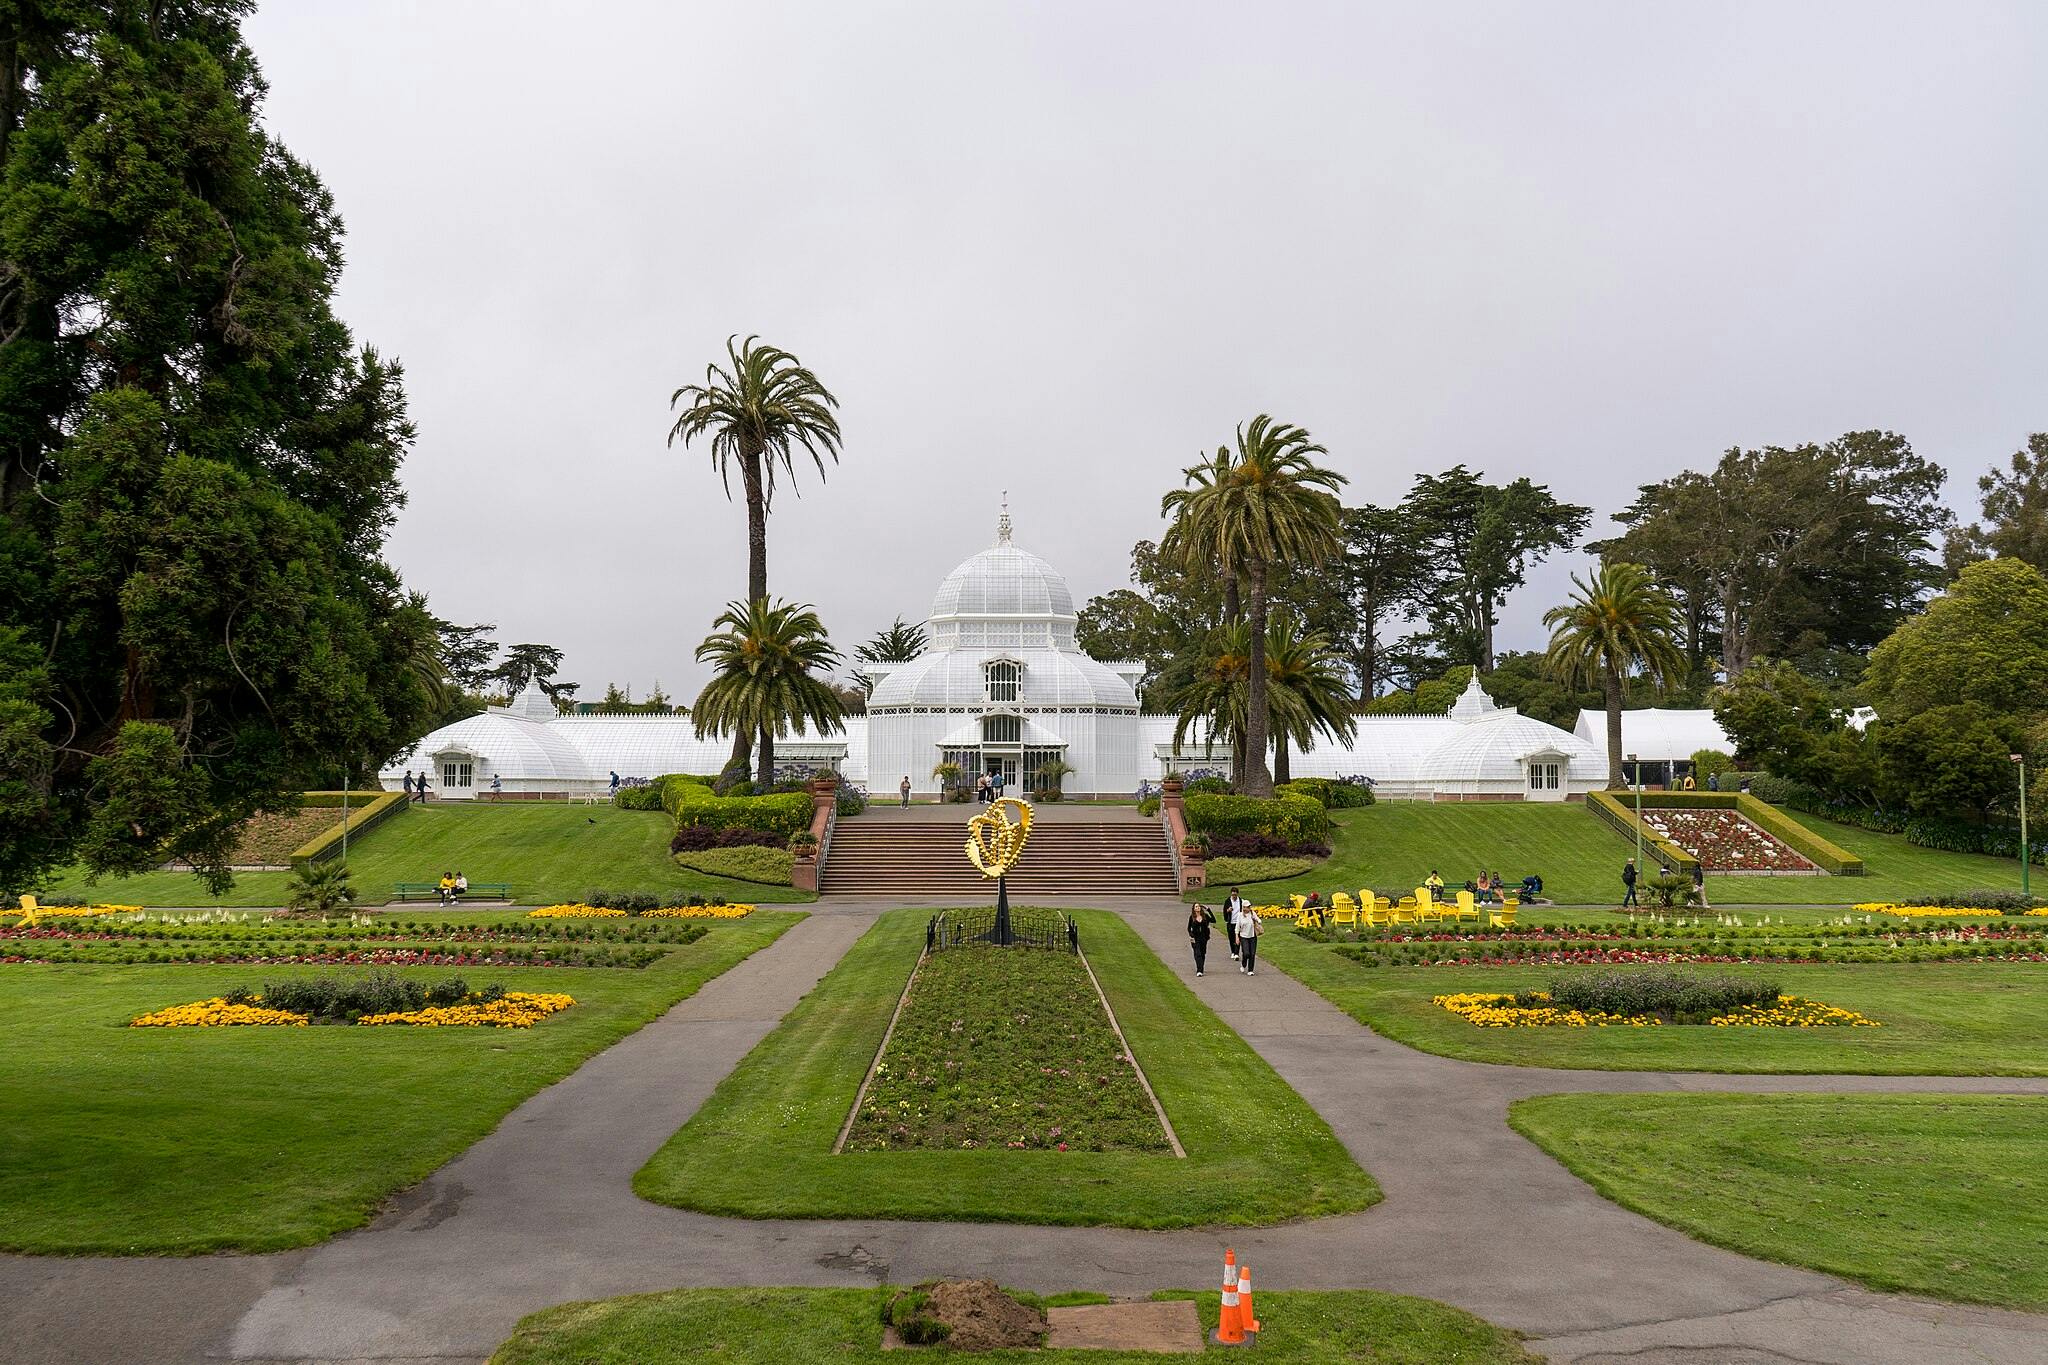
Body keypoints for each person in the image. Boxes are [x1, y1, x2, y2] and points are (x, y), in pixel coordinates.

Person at [1186, 902, 1215, 977]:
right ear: (1194, 909)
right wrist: (1191, 935)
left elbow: (1213, 920)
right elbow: (1189, 928)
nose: (1198, 907)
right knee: (1197, 953)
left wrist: (1208, 910)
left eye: (1199, 906)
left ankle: (1201, 967)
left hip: (1204, 938)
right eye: (1196, 906)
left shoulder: (1205, 916)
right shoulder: (1192, 917)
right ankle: (1199, 970)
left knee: (1202, 953)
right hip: (1195, 938)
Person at [1238, 901, 1262, 975]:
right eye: (1246, 907)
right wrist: (1237, 937)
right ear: (1243, 907)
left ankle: (1250, 970)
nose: (1248, 908)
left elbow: (1258, 919)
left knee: (1252, 953)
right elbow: (1237, 927)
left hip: (1252, 936)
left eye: (1249, 907)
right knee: (1246, 953)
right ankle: (1243, 964)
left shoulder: (1252, 913)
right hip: (1243, 936)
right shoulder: (1240, 915)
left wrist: (1258, 920)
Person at [1224, 887, 1243, 961]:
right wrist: (1228, 911)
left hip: (1238, 922)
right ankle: (1233, 951)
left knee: (1237, 938)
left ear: (1237, 894)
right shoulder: (1228, 901)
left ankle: (1236, 953)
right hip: (1230, 922)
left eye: (1235, 895)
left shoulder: (1240, 901)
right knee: (1231, 938)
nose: (1234, 896)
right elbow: (1224, 911)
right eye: (1233, 895)